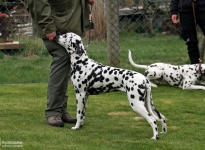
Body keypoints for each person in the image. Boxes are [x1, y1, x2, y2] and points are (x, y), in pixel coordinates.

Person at [25, 0, 95, 127]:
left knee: (67, 65)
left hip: (69, 22)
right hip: (55, 25)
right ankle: (53, 112)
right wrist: (48, 26)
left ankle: (61, 110)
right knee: (62, 59)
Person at [170, 0, 205, 64]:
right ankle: (196, 68)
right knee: (191, 42)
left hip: (203, 8)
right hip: (185, 11)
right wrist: (173, 11)